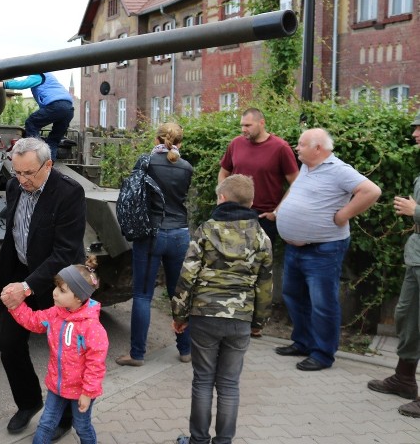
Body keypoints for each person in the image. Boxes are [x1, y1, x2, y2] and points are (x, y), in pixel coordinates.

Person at [171, 174, 273, 444]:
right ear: (251, 203)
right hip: (240, 317)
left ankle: (198, 440)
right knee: (229, 384)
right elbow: (265, 285)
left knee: (203, 380)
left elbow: (187, 275)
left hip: (204, 315)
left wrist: (179, 315)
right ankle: (224, 441)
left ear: (222, 198)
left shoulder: (206, 229)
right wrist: (258, 322)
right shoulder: (261, 237)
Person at [0, 137, 86, 440]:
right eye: (16, 172)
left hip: (60, 284)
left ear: (48, 165)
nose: (21, 180)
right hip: (22, 274)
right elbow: (12, 234)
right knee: (9, 345)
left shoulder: (69, 193)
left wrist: (26, 286)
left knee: (63, 352)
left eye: (28, 173)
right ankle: (29, 402)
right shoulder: (14, 186)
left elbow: (65, 252)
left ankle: (63, 416)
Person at [274, 127, 381, 371]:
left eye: (301, 144)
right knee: (293, 295)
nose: (296, 148)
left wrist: (344, 215)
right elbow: (296, 189)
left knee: (322, 303)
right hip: (296, 248)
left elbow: (372, 191)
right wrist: (283, 208)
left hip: (323, 249)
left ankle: (322, 354)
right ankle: (303, 342)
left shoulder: (338, 170)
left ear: (318, 148)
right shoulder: (307, 167)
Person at [5, 255, 108, 444]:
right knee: (45, 423)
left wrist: (88, 393)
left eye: (61, 290)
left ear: (78, 297)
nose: (54, 293)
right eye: (56, 287)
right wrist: (15, 306)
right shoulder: (55, 314)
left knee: (82, 426)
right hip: (56, 385)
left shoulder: (92, 328)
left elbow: (96, 365)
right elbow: (34, 321)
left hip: (81, 391)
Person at [117, 122, 193, 368]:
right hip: (180, 234)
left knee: (142, 295)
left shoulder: (146, 163)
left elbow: (133, 195)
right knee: (178, 294)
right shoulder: (186, 167)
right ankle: (185, 350)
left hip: (151, 234)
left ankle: (137, 355)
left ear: (156, 139)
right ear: (180, 142)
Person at [367, 110, 420, 417]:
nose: (414, 134)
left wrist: (415, 211)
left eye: (418, 129)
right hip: (416, 257)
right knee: (406, 317)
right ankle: (403, 378)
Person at [218, 108, 299, 245]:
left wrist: (276, 213)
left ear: (262, 123)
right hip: (234, 214)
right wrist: (223, 199)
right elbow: (223, 172)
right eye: (242, 125)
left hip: (263, 219)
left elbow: (297, 183)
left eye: (248, 125)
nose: (243, 129)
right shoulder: (236, 143)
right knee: (230, 263)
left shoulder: (280, 147)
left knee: (260, 265)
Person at [0, 73, 74, 161]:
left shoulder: (39, 75)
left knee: (31, 123)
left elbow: (23, 84)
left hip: (56, 106)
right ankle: (49, 164)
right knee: (54, 140)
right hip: (69, 109)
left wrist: (1, 84)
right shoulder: (50, 77)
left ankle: (35, 155)